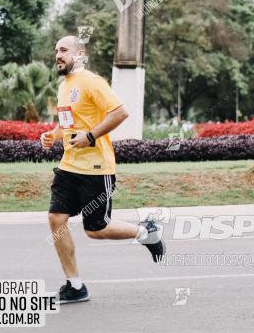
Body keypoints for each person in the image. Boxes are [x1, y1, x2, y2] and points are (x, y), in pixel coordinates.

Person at [41, 35, 165, 304]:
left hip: (96, 168)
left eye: (63, 50)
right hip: (68, 166)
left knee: (96, 229)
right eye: (56, 51)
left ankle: (146, 232)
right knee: (56, 220)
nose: (58, 55)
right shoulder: (64, 86)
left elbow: (120, 113)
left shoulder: (92, 82)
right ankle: (74, 286)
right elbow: (67, 124)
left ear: (80, 54)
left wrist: (91, 136)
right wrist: (53, 135)